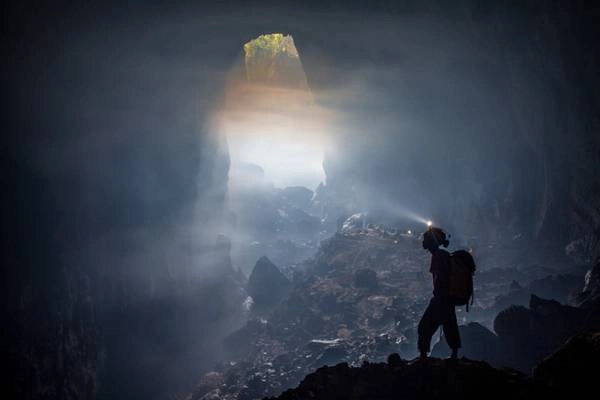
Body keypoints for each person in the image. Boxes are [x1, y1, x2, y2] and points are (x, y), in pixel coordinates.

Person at [417, 226, 461, 360]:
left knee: (424, 326)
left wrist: (440, 295)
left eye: (425, 240)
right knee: (450, 326)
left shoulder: (438, 256)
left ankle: (423, 356)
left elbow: (441, 276)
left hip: (441, 299)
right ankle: (454, 354)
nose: (423, 242)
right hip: (447, 298)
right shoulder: (444, 255)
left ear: (431, 242)